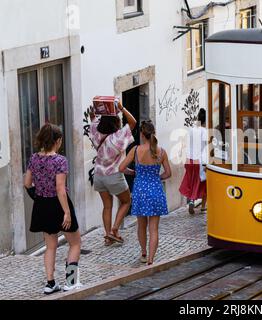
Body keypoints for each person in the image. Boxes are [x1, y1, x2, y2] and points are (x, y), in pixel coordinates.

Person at [24, 124, 82, 294]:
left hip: (42, 205)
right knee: (75, 243)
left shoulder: (34, 158)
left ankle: (50, 284)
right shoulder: (60, 161)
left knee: (50, 246)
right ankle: (71, 282)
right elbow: (60, 189)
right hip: (59, 205)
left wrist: (39, 197)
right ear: (57, 141)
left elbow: (27, 183)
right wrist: (67, 212)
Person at [119, 120, 171, 265]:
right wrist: (156, 177)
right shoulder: (161, 152)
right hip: (155, 191)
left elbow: (121, 168)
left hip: (140, 191)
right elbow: (168, 173)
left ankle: (143, 253)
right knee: (154, 228)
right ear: (153, 133)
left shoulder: (135, 150)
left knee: (141, 225)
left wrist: (134, 172)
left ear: (142, 134)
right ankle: (151, 259)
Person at [89, 101, 137, 246]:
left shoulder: (96, 133)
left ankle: (108, 237)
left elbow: (92, 120)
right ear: (116, 121)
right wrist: (121, 108)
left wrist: (95, 113)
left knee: (107, 206)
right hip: (114, 176)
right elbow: (133, 122)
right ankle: (114, 229)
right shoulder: (118, 136)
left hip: (98, 176)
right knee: (126, 201)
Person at [179, 108, 208, 215]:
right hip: (199, 161)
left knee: (191, 181)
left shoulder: (191, 129)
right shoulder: (205, 131)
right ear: (206, 120)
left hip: (189, 159)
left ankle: (191, 200)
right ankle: (203, 207)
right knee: (204, 183)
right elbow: (205, 148)